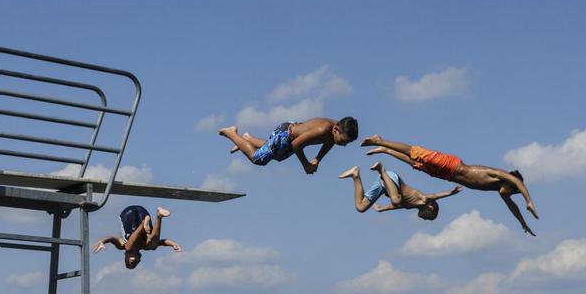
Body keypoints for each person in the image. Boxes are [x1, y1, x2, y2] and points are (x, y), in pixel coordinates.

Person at [360, 135, 539, 235]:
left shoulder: (499, 191)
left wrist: (523, 223)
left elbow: (512, 207)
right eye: (512, 191)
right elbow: (516, 181)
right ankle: (380, 140)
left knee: (416, 164)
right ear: (509, 182)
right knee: (416, 153)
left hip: (447, 176)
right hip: (451, 165)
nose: (508, 194)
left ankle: (386, 150)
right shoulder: (498, 175)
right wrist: (529, 201)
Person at [217, 117, 358, 174]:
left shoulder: (334, 131)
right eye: (344, 141)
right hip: (285, 135)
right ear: (336, 129)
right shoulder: (322, 130)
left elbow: (329, 143)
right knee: (258, 159)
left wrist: (318, 159)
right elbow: (297, 145)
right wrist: (306, 165)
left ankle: (246, 140)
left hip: (288, 137)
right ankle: (232, 133)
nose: (344, 145)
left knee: (276, 155)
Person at [338, 162, 461, 219]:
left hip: (383, 185)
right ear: (431, 208)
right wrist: (450, 193)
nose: (424, 219)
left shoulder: (411, 206)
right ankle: (381, 169)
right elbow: (434, 196)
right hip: (391, 178)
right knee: (396, 200)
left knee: (360, 207)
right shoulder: (423, 199)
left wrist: (381, 209)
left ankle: (355, 175)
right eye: (427, 217)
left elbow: (396, 207)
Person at [93, 205, 182, 270]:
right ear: (139, 259)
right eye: (134, 265)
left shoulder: (122, 246)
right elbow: (162, 242)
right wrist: (173, 244)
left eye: (129, 264)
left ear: (126, 258)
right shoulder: (144, 246)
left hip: (128, 214)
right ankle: (159, 216)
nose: (132, 264)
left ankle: (143, 224)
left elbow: (111, 239)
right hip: (143, 212)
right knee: (152, 246)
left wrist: (102, 241)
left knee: (128, 247)